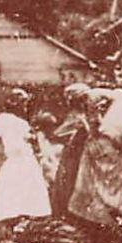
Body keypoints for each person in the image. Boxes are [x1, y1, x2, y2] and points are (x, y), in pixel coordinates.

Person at [68, 88, 122, 230]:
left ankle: (101, 221)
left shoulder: (96, 108)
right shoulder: (115, 112)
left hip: (103, 148)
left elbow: (95, 125)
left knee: (96, 186)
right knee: (105, 187)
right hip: (108, 149)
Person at [0, 88, 51, 222]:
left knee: (22, 190)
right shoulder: (16, 123)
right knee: (21, 188)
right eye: (22, 103)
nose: (24, 107)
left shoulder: (6, 121)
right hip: (20, 160)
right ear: (13, 103)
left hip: (21, 160)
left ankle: (21, 219)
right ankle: (21, 218)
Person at [51, 83, 94, 217]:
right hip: (73, 153)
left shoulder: (79, 117)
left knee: (71, 180)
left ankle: (69, 211)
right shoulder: (77, 115)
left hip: (77, 154)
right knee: (68, 180)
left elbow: (58, 134)